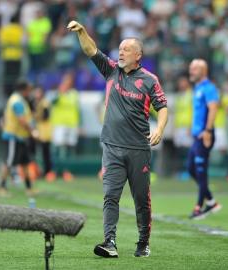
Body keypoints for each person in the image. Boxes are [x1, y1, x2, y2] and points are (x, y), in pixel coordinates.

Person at [67, 20, 168, 258]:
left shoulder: (150, 80)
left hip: (138, 149)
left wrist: (160, 129)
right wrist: (82, 31)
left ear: (138, 55)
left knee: (141, 201)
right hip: (111, 147)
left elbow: (162, 107)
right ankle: (109, 241)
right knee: (110, 196)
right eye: (120, 48)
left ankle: (143, 242)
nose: (120, 52)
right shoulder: (111, 69)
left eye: (126, 49)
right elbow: (90, 50)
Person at [187, 59, 222, 220]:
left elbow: (213, 108)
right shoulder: (198, 88)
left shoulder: (209, 88)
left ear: (203, 70)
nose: (191, 71)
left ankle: (199, 207)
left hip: (205, 135)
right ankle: (212, 202)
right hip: (197, 136)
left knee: (201, 172)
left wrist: (207, 130)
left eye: (194, 69)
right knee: (191, 169)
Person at [0, 80, 36, 197]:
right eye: (29, 89)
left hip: (20, 137)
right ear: (24, 90)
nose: (30, 92)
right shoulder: (17, 101)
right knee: (9, 162)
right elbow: (21, 119)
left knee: (25, 162)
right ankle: (2, 187)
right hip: (13, 136)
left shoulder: (17, 99)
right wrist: (32, 131)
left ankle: (29, 188)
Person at [49, 72, 80, 182]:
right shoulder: (57, 93)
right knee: (57, 149)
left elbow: (77, 110)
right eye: (66, 81)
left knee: (68, 149)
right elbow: (52, 102)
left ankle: (66, 172)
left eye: (69, 81)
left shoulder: (74, 94)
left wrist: (79, 125)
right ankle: (54, 171)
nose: (67, 83)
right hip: (59, 125)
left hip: (71, 125)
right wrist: (60, 92)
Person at [33, 86, 55, 182]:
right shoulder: (37, 103)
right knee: (42, 153)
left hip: (45, 131)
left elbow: (46, 116)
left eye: (38, 92)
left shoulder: (45, 102)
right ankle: (42, 171)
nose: (36, 94)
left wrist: (35, 116)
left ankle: (47, 172)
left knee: (46, 153)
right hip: (41, 130)